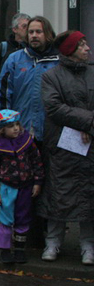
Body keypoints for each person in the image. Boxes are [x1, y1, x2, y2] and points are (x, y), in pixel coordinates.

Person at [39, 30, 94, 265]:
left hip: (89, 145)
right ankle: (52, 243)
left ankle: (88, 246)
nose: (88, 49)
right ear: (70, 50)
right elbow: (53, 107)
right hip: (61, 146)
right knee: (58, 194)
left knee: (89, 195)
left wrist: (88, 126)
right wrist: (87, 121)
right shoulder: (51, 76)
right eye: (82, 45)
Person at [0, 110, 44, 264]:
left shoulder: (27, 141)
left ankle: (19, 249)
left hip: (26, 186)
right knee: (6, 218)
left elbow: (37, 162)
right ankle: (4, 250)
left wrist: (38, 182)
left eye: (17, 124)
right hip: (7, 187)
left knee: (23, 218)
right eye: (11, 126)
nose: (16, 129)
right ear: (2, 129)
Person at [0, 16, 59, 144]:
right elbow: (4, 96)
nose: (34, 35)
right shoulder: (14, 60)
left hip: (51, 133)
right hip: (22, 130)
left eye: (39, 32)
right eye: (31, 32)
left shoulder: (59, 61)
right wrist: (5, 127)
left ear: (48, 34)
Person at [0, 13, 30, 105]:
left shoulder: (32, 50)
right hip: (5, 101)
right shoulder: (2, 49)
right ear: (14, 29)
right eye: (24, 26)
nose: (28, 30)